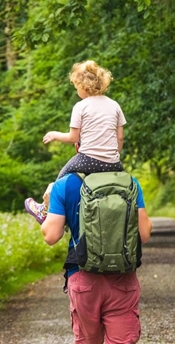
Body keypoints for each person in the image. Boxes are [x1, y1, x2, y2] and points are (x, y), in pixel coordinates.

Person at [39, 170, 153, 344]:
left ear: (78, 145)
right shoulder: (129, 182)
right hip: (122, 279)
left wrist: (46, 203)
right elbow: (145, 234)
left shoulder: (64, 185)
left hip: (83, 278)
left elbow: (50, 236)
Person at [24, 60, 126, 223]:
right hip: (114, 163)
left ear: (84, 86)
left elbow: (73, 138)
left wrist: (54, 134)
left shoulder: (81, 106)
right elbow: (120, 137)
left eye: (76, 85)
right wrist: (113, 155)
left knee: (60, 179)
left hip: (88, 160)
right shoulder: (115, 105)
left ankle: (45, 210)